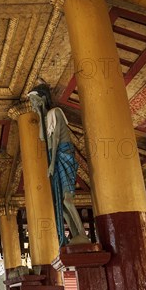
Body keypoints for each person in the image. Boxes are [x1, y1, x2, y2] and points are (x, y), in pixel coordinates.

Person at [27, 84, 89, 245]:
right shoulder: (46, 117)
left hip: (62, 153)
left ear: (42, 98)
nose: (32, 104)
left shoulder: (55, 113)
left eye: (34, 100)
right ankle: (75, 235)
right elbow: (42, 137)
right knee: (60, 204)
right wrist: (40, 115)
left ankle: (82, 234)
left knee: (67, 200)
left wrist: (52, 163)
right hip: (53, 155)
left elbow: (54, 140)